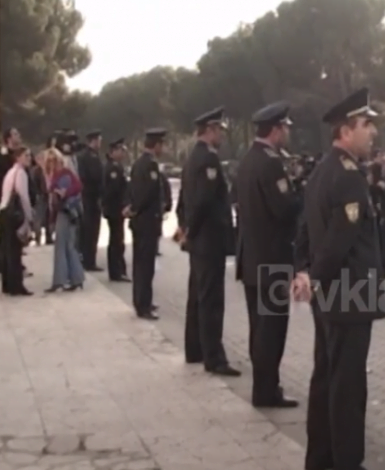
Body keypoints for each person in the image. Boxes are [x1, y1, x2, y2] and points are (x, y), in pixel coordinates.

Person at [292, 87, 385, 470]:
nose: (373, 133)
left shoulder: (321, 171)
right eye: (367, 125)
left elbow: (305, 229)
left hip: (331, 293)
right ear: (346, 131)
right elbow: (339, 239)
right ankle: (347, 461)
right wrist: (313, 276)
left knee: (326, 378)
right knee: (347, 386)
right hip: (350, 294)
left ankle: (320, 459)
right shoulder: (347, 176)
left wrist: (304, 271)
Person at [235, 101, 302, 406]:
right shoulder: (271, 163)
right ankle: (266, 390)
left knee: (258, 327)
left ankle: (262, 387)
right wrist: (300, 194)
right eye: (285, 128)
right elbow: (284, 208)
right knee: (272, 330)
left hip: (251, 257)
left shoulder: (248, 160)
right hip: (273, 258)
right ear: (275, 131)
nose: (287, 132)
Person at [176, 107, 239, 376]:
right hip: (209, 238)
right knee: (211, 299)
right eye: (219, 131)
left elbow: (184, 200)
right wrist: (191, 230)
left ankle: (195, 349)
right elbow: (202, 201)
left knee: (197, 296)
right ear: (210, 130)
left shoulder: (192, 158)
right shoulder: (210, 160)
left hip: (198, 239)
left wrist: (184, 226)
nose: (222, 136)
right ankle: (214, 357)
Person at [127, 128, 166, 320]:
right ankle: (143, 305)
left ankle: (143, 300)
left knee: (142, 263)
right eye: (162, 145)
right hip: (147, 222)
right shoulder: (149, 165)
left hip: (141, 222)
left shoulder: (138, 164)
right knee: (145, 265)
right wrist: (135, 208)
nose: (163, 148)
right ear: (156, 145)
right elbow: (146, 194)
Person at [44, 145, 85, 293]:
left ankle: (60, 281)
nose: (51, 163)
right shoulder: (64, 173)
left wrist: (63, 192)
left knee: (62, 247)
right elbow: (78, 186)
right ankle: (76, 279)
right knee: (69, 246)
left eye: (53, 160)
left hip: (65, 212)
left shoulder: (62, 175)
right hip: (69, 213)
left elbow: (74, 189)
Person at [0, 145, 34, 296]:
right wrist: (29, 217)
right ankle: (16, 286)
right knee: (15, 251)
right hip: (14, 215)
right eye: (26, 156)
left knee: (7, 250)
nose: (29, 159)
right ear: (18, 157)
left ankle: (7, 284)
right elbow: (23, 197)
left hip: (4, 212)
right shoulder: (21, 173)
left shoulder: (10, 172)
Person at [77, 129, 106, 271]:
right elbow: (93, 177)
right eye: (98, 140)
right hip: (90, 197)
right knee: (90, 230)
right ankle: (88, 260)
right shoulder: (88, 157)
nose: (100, 143)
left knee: (90, 231)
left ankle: (87, 258)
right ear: (92, 141)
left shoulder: (90, 156)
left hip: (90, 197)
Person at [102, 138, 130, 282]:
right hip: (115, 209)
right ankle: (116, 271)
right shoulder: (113, 168)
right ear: (112, 152)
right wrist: (123, 205)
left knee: (118, 240)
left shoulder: (117, 166)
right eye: (120, 150)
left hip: (115, 209)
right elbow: (114, 191)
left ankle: (118, 269)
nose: (122, 153)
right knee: (116, 240)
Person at [0, 127, 21, 274]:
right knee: (6, 234)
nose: (19, 136)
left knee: (11, 234)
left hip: (14, 199)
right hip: (8, 199)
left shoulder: (14, 154)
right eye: (15, 134)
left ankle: (8, 263)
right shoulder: (4, 156)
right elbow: (1, 180)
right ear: (9, 138)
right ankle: (2, 264)